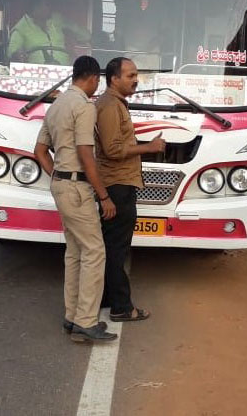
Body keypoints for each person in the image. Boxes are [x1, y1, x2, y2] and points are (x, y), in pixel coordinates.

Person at [34, 55, 118, 343]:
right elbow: (86, 153)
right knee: (95, 251)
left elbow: (40, 151)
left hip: (60, 186)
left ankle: (72, 318)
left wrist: (58, 175)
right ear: (93, 78)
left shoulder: (56, 105)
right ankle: (85, 321)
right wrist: (103, 195)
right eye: (98, 81)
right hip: (77, 189)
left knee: (74, 253)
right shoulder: (83, 106)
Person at [96, 57, 165, 322]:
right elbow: (113, 150)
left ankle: (106, 297)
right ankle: (122, 307)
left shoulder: (114, 104)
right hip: (117, 185)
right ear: (114, 79)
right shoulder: (110, 106)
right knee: (117, 248)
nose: (136, 79)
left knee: (112, 246)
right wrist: (149, 148)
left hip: (119, 183)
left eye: (137, 75)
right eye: (130, 75)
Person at [8, 0, 91, 65]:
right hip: (37, 75)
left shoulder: (56, 19)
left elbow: (80, 31)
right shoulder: (21, 28)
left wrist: (89, 37)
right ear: (35, 7)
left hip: (65, 73)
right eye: (46, 5)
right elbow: (12, 54)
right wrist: (18, 55)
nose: (50, 8)